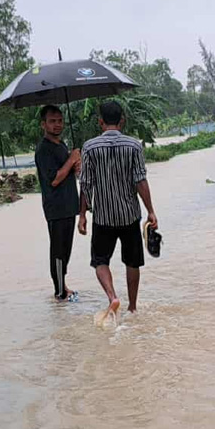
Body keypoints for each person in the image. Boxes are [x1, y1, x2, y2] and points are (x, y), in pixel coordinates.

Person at [78, 100, 157, 321]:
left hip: (103, 217)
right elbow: (140, 181)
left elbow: (85, 184)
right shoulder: (134, 146)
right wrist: (150, 210)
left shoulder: (89, 147)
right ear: (121, 120)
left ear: (100, 121)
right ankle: (132, 307)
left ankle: (112, 297)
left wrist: (82, 215)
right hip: (129, 215)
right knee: (132, 262)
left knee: (100, 260)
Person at [34, 105, 81, 301]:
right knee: (58, 251)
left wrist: (75, 163)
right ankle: (60, 291)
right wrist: (71, 159)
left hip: (69, 205)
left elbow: (68, 171)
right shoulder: (44, 149)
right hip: (56, 208)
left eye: (60, 120)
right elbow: (54, 179)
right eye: (52, 121)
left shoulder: (61, 145)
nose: (57, 125)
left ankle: (63, 286)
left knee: (66, 250)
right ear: (43, 124)